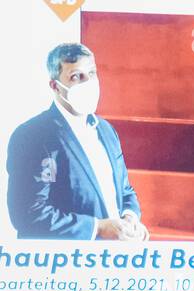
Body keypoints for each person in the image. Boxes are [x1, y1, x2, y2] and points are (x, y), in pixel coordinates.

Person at [6, 43, 148, 240]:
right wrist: (97, 228)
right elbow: (29, 214)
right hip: (65, 264)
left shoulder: (106, 130)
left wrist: (130, 219)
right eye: (76, 76)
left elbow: (125, 190)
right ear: (55, 86)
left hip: (112, 258)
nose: (88, 82)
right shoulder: (33, 136)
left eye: (91, 73)